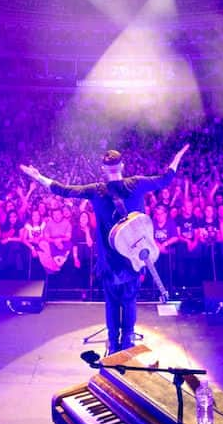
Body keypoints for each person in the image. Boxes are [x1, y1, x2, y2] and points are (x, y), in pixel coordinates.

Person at [20, 144, 190, 354]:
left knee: (111, 303)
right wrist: (177, 157)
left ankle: (113, 344)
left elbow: (64, 190)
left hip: (108, 261)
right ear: (122, 165)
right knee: (129, 301)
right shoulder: (137, 184)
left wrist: (39, 177)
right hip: (132, 261)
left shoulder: (96, 190)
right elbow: (166, 178)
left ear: (103, 168)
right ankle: (127, 342)